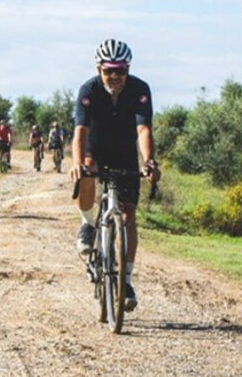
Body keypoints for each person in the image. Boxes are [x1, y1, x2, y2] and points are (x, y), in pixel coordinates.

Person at [70, 39, 161, 311]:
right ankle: (88, 223)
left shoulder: (139, 89)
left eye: (121, 71)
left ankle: (127, 279)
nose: (115, 77)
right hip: (94, 148)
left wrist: (149, 162)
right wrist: (77, 163)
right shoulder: (88, 90)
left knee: (128, 216)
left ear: (128, 69)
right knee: (86, 171)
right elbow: (80, 132)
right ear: (99, 68)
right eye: (109, 71)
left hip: (123, 151)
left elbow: (143, 129)